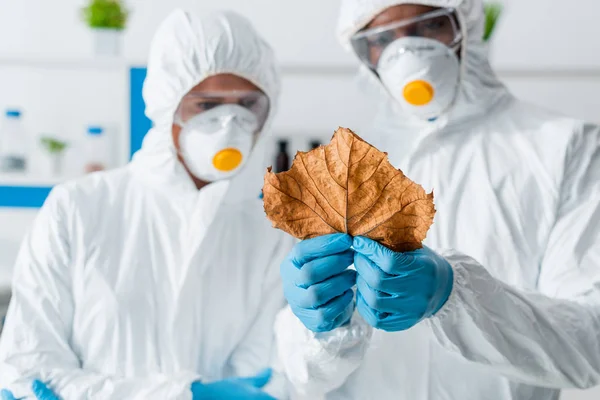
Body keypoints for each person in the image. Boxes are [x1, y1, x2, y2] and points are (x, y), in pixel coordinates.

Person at [275, 1, 600, 399]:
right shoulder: (342, 165)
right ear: (364, 53)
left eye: (428, 26)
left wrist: (455, 296)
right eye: (381, 38)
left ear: (465, 24)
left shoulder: (565, 147)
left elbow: (589, 345)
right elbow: (303, 379)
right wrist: (319, 331)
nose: (406, 50)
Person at [0, 9, 294, 400]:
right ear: (167, 103)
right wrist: (188, 395)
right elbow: (30, 371)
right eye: (207, 105)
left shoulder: (269, 236)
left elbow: (264, 377)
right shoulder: (78, 208)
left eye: (247, 105)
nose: (229, 124)